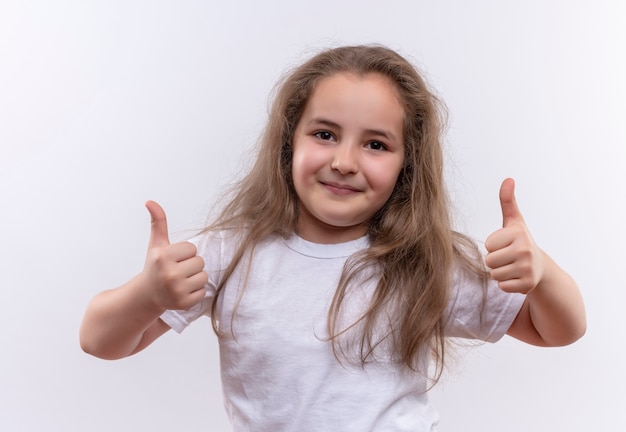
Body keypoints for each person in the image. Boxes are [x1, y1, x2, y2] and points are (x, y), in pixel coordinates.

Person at [80, 45, 586, 431]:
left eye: (375, 143)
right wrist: (147, 294)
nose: (344, 161)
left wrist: (541, 274)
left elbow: (558, 330)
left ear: (406, 164)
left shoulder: (424, 262)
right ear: (288, 143)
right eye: (324, 134)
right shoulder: (229, 253)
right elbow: (100, 341)